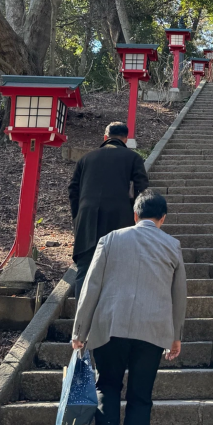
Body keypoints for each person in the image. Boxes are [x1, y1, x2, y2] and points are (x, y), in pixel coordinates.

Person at [71, 190, 187, 425]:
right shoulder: (172, 245)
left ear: (135, 215)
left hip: (111, 325)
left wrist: (80, 330)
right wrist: (175, 336)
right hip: (153, 330)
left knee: (107, 385)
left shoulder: (110, 239)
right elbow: (179, 294)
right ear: (163, 218)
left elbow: (91, 286)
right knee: (140, 399)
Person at [68, 122, 149, 298]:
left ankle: (81, 320)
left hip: (87, 221)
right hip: (120, 220)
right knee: (118, 269)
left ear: (105, 137)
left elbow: (73, 191)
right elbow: (142, 192)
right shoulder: (133, 158)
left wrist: (78, 217)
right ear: (125, 139)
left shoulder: (86, 159)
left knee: (85, 269)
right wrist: (138, 221)